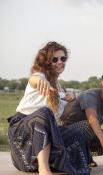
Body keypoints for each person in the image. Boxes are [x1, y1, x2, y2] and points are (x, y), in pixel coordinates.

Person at [7, 41, 90, 175]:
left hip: (44, 135)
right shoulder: (40, 76)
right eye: (54, 59)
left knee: (77, 131)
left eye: (63, 58)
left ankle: (64, 163)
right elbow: (33, 79)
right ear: (46, 62)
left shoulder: (60, 89)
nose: (60, 62)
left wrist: (71, 102)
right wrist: (41, 81)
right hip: (22, 134)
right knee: (44, 113)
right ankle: (43, 168)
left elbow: (62, 116)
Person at [61, 70, 103, 166]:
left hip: (89, 135)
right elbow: (92, 120)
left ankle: (85, 154)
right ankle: (77, 155)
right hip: (68, 134)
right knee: (88, 126)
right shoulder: (90, 95)